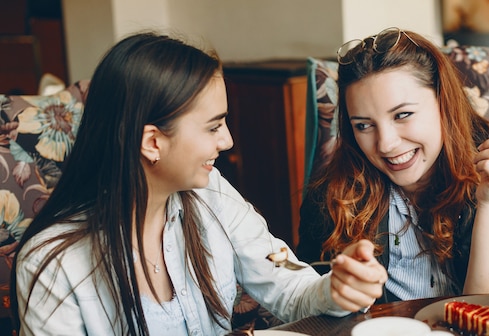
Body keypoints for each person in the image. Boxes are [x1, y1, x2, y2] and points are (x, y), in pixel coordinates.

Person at [10, 32, 387, 335]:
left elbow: (288, 289)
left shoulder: (211, 195)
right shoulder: (52, 265)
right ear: (152, 142)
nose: (227, 141)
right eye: (213, 126)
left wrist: (336, 288)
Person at [297, 27, 489, 303]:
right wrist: (338, 288)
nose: (386, 144)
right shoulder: (331, 198)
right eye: (364, 125)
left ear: (444, 104)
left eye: (402, 115)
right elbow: (307, 305)